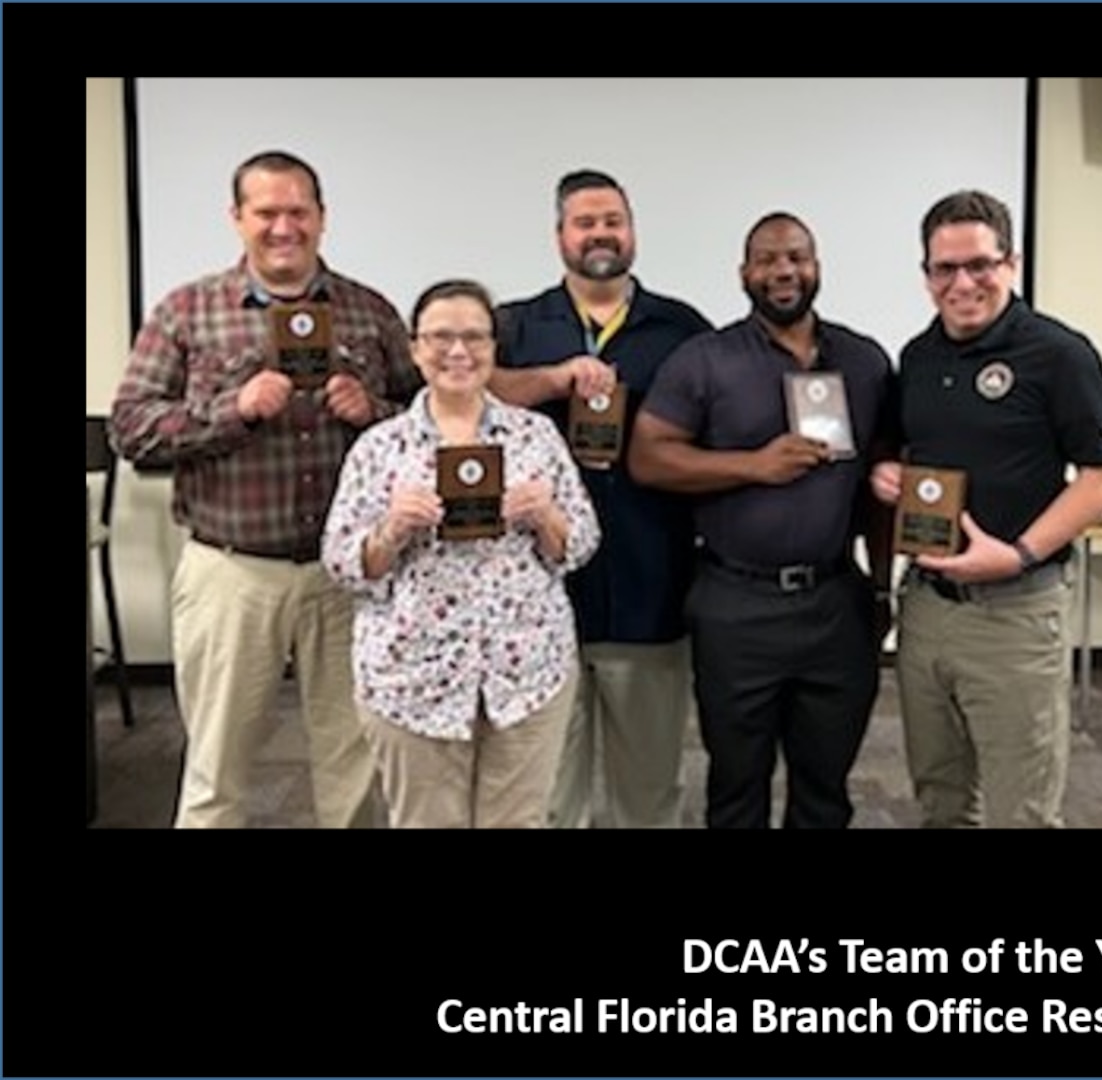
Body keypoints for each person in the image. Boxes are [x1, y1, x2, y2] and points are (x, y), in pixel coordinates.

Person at [110, 150, 424, 827]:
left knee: (354, 763)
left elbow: (429, 426)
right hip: (233, 573)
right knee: (218, 768)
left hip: (349, 579)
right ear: (237, 219)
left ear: (322, 217)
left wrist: (375, 412)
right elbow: (130, 430)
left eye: (298, 211)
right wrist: (235, 408)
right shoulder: (187, 311)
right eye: (266, 212)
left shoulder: (369, 311)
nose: (284, 227)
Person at [870, 190, 1102, 828]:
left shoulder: (1058, 354)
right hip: (926, 608)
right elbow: (923, 458)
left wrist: (1017, 554)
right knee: (940, 799)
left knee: (1021, 810)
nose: (963, 283)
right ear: (926, 275)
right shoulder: (918, 358)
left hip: (1015, 615)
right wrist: (891, 475)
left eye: (980, 265)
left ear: (1010, 263)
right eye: (945, 269)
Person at [631, 212, 895, 828]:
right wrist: (754, 465)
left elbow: (885, 482)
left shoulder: (864, 361)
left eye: (798, 257)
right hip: (735, 603)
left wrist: (880, 586)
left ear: (817, 267)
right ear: (744, 274)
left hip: (835, 601)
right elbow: (647, 457)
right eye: (769, 260)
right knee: (736, 787)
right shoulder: (704, 360)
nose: (784, 271)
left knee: (826, 787)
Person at [322, 280, 599, 826]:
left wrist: (546, 516)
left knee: (518, 821)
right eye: (441, 336)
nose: (458, 351)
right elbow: (341, 562)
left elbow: (582, 543)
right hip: (412, 680)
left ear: (494, 347)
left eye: (475, 336)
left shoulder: (535, 437)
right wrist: (391, 530)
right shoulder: (379, 447)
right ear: (415, 347)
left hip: (525, 675)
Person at [490, 169, 711, 828]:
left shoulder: (683, 329)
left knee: (647, 792)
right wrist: (554, 380)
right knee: (549, 797)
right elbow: (472, 392)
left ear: (632, 230)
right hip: (538, 598)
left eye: (613, 219)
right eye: (585, 222)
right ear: (560, 235)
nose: (600, 233)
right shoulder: (517, 327)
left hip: (651, 584)